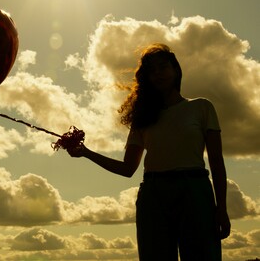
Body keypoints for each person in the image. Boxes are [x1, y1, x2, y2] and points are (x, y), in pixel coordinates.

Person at [67, 43, 231, 260]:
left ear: (176, 71)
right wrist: (86, 152)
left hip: (195, 190)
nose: (157, 74)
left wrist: (221, 208)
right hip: (153, 195)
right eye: (151, 71)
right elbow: (127, 169)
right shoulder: (142, 120)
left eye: (163, 67)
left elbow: (217, 163)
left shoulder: (201, 107)